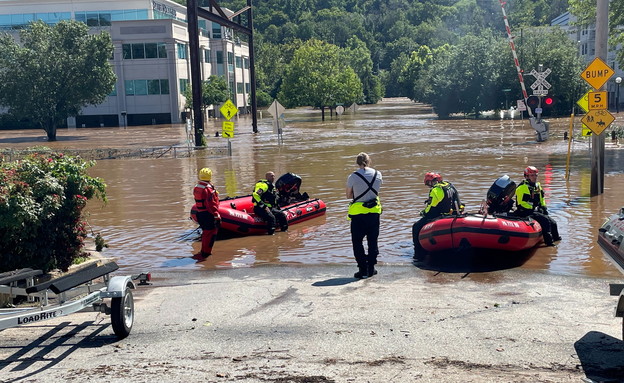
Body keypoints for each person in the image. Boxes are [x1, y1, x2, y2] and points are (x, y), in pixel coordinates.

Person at [346, 152, 383, 279]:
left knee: (357, 242)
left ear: (357, 162)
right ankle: (371, 269)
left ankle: (362, 270)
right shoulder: (378, 174)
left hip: (358, 215)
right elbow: (376, 191)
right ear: (369, 161)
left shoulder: (352, 177)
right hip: (374, 213)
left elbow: (348, 195)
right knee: (373, 242)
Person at [412, 172, 463, 260]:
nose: (428, 186)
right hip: (452, 215)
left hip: (439, 216)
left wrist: (423, 212)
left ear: (430, 182)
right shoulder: (450, 186)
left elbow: (431, 208)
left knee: (416, 227)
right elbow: (458, 202)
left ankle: (419, 253)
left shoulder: (436, 190)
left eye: (428, 183)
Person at [513, 166, 561, 246]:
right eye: (532, 175)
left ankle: (557, 240)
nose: (535, 177)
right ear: (526, 176)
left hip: (535, 210)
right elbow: (522, 203)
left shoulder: (537, 186)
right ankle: (549, 243)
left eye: (536, 175)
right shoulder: (522, 188)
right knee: (545, 221)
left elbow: (541, 198)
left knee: (553, 223)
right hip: (525, 211)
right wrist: (533, 208)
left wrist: (543, 207)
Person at [192, 167, 221, 261]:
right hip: (208, 214)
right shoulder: (208, 189)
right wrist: (216, 215)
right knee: (211, 234)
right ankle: (206, 254)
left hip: (200, 213)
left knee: (205, 233)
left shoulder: (197, 186)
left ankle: (203, 252)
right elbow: (211, 204)